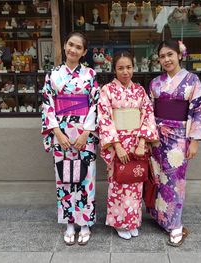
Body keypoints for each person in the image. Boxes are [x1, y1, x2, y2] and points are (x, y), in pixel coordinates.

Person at [148, 40, 201, 247]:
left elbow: (199, 110)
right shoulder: (155, 83)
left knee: (176, 181)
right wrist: (148, 137)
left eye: (170, 55)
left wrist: (194, 141)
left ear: (179, 55)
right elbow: (149, 111)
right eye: (162, 56)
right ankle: (161, 218)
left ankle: (175, 224)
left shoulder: (192, 80)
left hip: (178, 137)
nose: (166, 59)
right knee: (158, 177)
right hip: (157, 136)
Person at [41, 32, 99, 246]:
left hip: (84, 134)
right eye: (70, 45)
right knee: (65, 178)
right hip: (62, 134)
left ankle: (84, 223)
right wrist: (57, 133)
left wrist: (86, 132)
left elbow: (95, 104)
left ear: (84, 52)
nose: (72, 50)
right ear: (65, 46)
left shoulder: (90, 74)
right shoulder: (53, 75)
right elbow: (47, 104)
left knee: (86, 178)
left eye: (78, 47)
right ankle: (69, 223)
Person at [98, 51, 159, 240]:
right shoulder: (107, 90)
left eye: (129, 67)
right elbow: (104, 119)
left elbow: (148, 115)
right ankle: (119, 223)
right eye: (120, 68)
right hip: (117, 143)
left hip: (136, 143)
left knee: (135, 182)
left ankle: (132, 221)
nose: (125, 72)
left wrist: (142, 142)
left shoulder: (140, 91)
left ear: (134, 68)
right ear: (114, 70)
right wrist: (117, 146)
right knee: (119, 182)